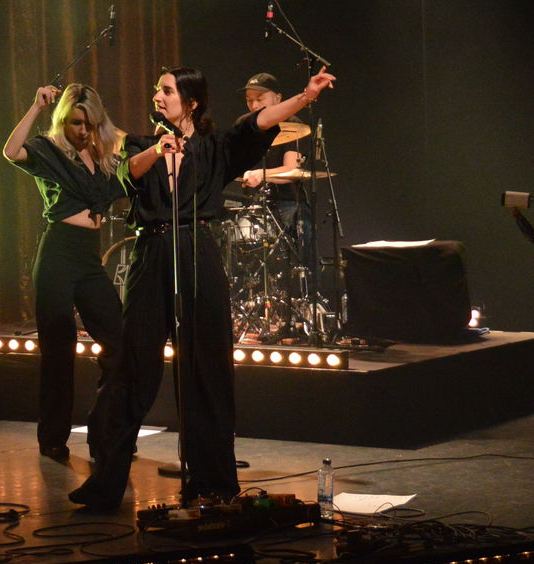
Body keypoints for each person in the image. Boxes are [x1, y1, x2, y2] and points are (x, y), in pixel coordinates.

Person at [70, 65, 336, 510]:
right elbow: (128, 176)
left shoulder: (216, 147)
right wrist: (157, 150)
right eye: (158, 90)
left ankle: (210, 482)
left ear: (191, 103)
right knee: (133, 366)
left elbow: (260, 124)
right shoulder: (140, 143)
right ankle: (106, 484)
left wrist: (305, 96)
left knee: (207, 367)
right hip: (152, 251)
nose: (158, 96)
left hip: (197, 250)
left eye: (167, 91)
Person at [2, 83, 127, 463]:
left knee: (120, 344)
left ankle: (105, 429)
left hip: (90, 259)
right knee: (59, 351)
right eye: (75, 123)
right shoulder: (50, 150)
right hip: (58, 252)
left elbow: (126, 146)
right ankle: (52, 438)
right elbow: (10, 151)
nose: (82, 131)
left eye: (89, 124)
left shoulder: (104, 155)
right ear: (63, 120)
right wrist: (36, 107)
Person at [237, 72, 312, 271]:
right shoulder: (245, 125)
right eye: (249, 100)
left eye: (259, 99)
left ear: (278, 98)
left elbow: (291, 169)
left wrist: (260, 175)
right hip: (256, 204)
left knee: (299, 268)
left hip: (289, 204)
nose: (253, 106)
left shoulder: (292, 123)